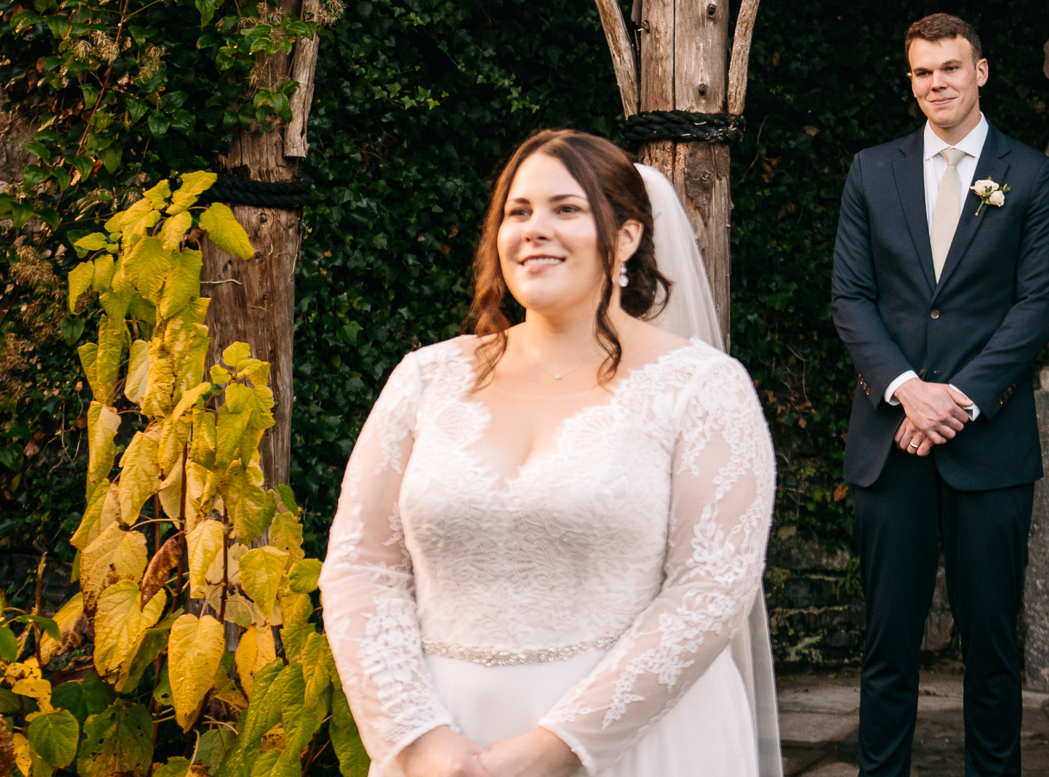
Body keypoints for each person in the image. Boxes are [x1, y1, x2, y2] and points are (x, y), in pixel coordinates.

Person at [321, 130, 780, 777]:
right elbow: (359, 567)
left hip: (633, 744)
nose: (535, 228)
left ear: (626, 237)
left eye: (567, 208)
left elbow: (711, 592)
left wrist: (553, 750)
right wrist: (418, 739)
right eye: (518, 210)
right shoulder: (426, 379)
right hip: (443, 740)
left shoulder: (703, 388)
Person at [831, 14, 1049, 777]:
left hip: (988, 447)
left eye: (951, 68)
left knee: (992, 651)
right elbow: (851, 296)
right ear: (911, 81)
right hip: (889, 444)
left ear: (982, 72)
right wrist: (907, 391)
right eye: (924, 72)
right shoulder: (872, 170)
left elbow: (1037, 306)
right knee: (887, 647)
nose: (938, 83)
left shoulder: (1029, 175)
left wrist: (954, 401)